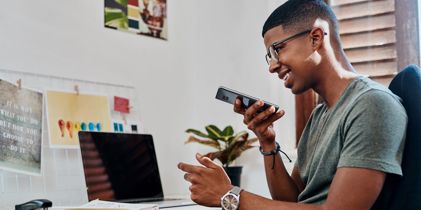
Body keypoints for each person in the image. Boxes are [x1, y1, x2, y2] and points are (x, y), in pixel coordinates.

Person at [177, 0, 407, 209]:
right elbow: (291, 201)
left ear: (315, 38)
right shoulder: (320, 114)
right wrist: (267, 142)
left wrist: (230, 195)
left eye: (277, 49)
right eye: (269, 56)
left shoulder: (372, 104)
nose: (272, 66)